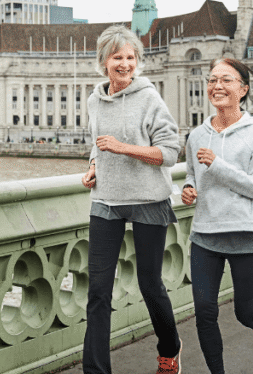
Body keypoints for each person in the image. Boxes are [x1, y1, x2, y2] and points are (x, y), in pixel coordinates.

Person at [181, 58, 253, 374]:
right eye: (212, 79)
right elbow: (193, 176)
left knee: (246, 313)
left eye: (226, 80)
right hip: (205, 234)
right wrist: (189, 189)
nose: (217, 85)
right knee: (204, 313)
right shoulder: (195, 136)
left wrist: (218, 165)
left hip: (247, 234)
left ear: (243, 89)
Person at [81, 25, 182, 374]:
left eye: (130, 57)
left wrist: (124, 148)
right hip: (106, 199)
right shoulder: (94, 99)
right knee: (98, 291)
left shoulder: (149, 98)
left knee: (149, 283)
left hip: (147, 199)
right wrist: (93, 166)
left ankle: (170, 347)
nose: (125, 64)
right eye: (117, 57)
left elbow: (170, 152)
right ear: (104, 62)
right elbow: (96, 143)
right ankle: (95, 371)